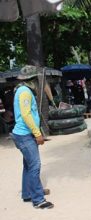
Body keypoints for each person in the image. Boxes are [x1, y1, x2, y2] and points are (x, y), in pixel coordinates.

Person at [10, 65, 54, 209]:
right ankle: (38, 200)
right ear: (32, 79)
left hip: (23, 134)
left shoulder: (23, 90)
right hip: (25, 135)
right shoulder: (24, 92)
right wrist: (37, 133)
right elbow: (26, 114)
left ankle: (28, 193)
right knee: (35, 165)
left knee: (28, 166)